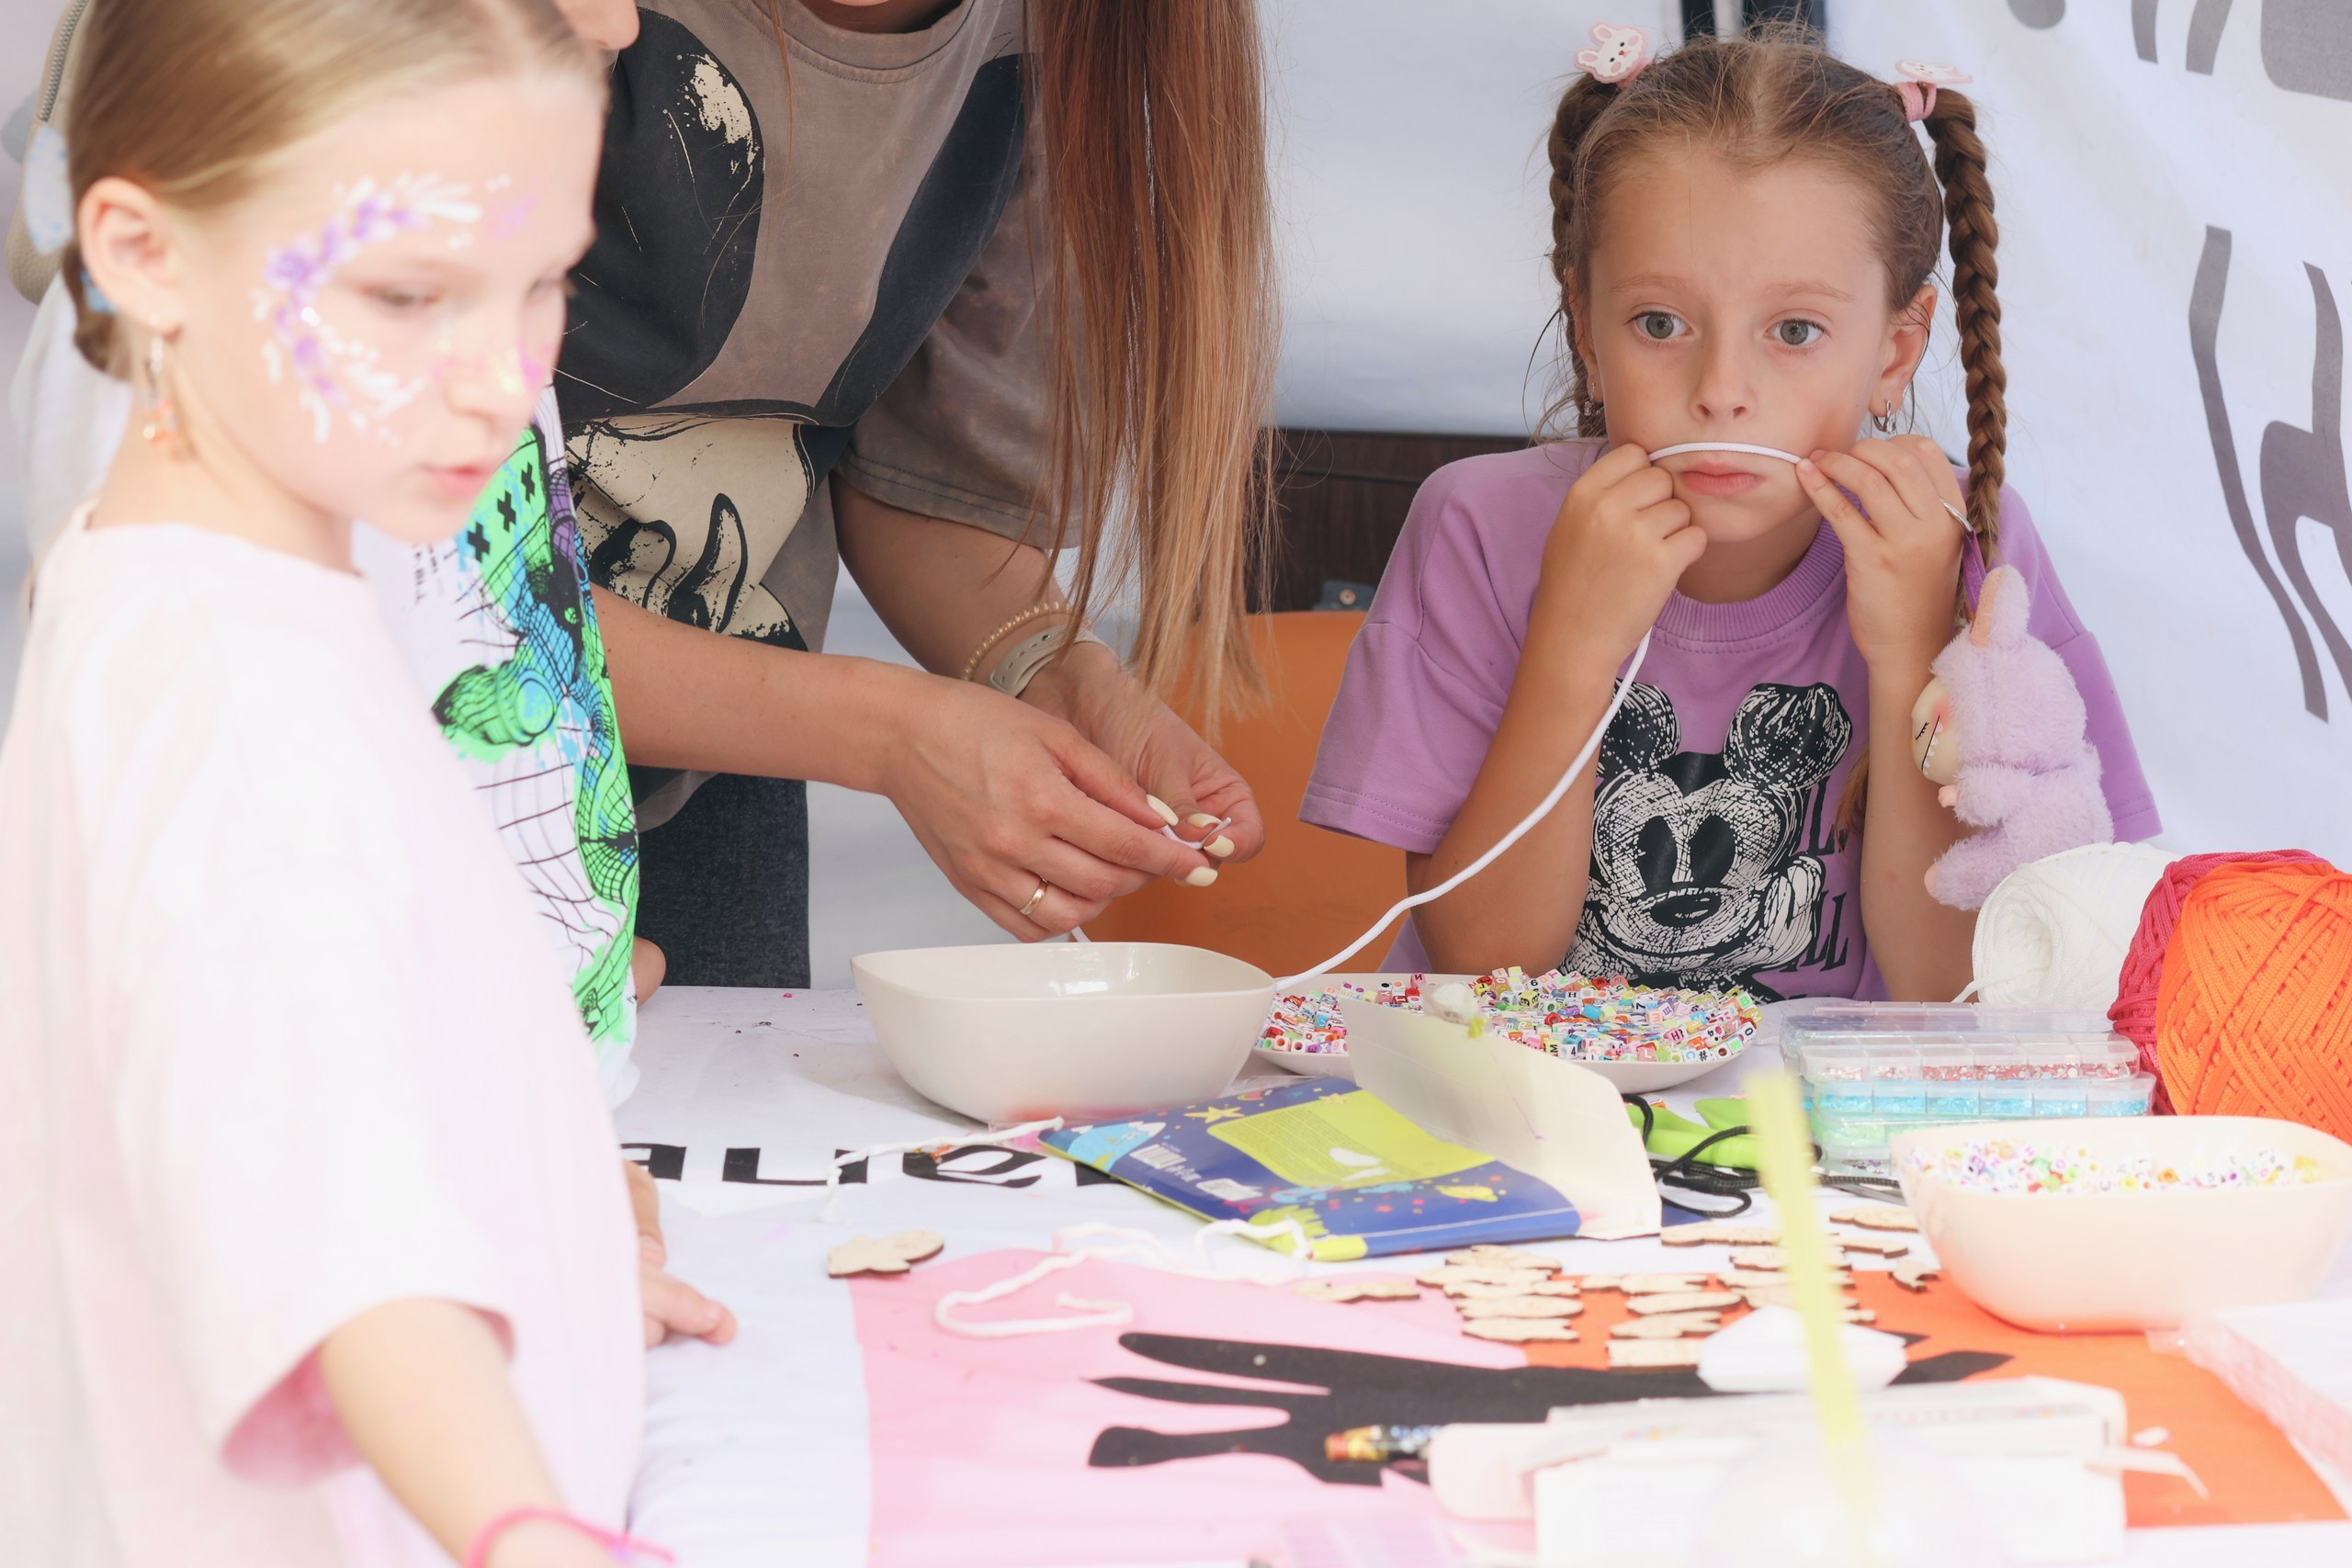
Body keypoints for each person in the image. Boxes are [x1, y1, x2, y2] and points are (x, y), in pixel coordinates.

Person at [0, 2, 661, 1561]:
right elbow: (328, 1224)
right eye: (408, 293)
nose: (502, 380)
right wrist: (523, 1529)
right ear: (146, 252)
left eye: (547, 283)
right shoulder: (229, 679)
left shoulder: (226, 580)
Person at [1301, 26, 2158, 1003]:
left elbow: (1947, 992)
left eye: (1794, 331)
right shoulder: (1478, 529)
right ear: (1586, 329)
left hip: (1834, 1146)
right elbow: (1486, 966)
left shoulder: (1974, 549)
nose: (1720, 392)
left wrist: (1912, 645)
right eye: (1658, 324)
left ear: (1893, 350)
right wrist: (1573, 647)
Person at [552, 0, 1276, 986]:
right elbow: (444, 592)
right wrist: (888, 731)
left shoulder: (1045, 47)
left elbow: (923, 489)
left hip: (711, 778)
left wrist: (1056, 677)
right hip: (393, 763)